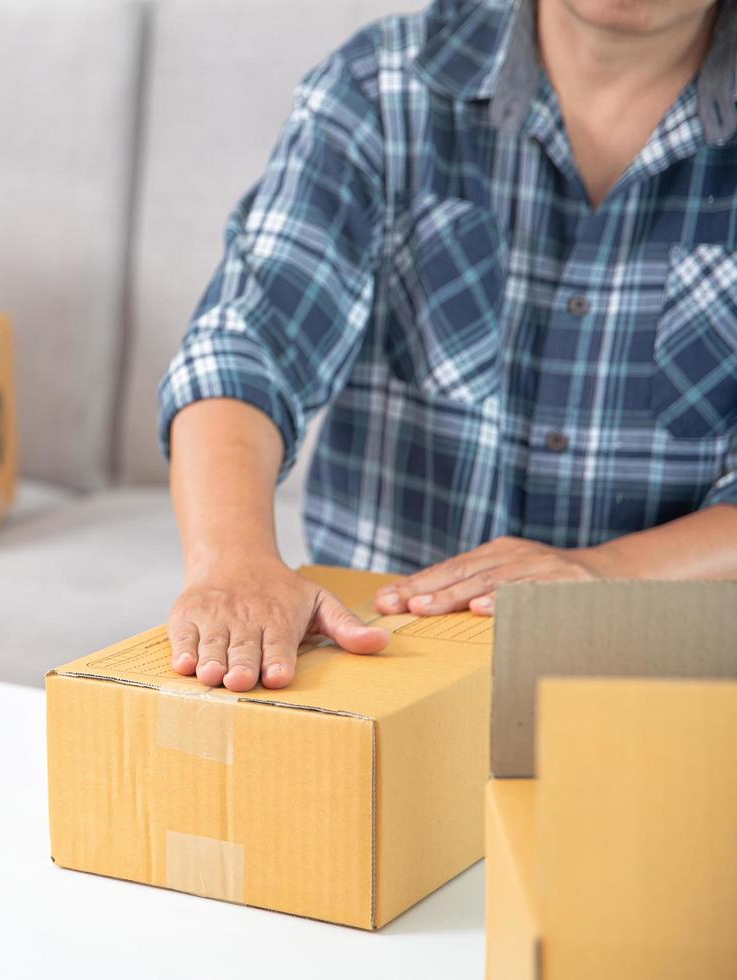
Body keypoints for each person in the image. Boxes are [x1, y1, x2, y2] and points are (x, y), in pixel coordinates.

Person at [161, 0, 737, 693]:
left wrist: (606, 570)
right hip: (382, 660)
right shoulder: (382, 87)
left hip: (670, 678)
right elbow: (246, 345)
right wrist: (233, 561)